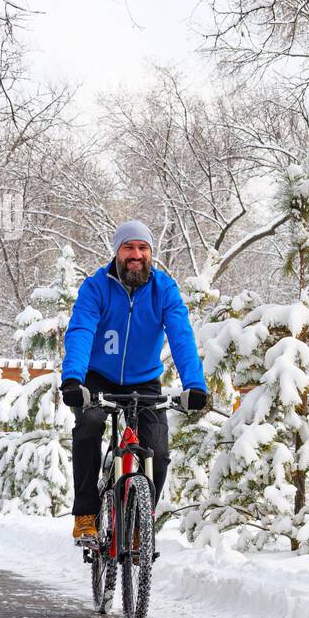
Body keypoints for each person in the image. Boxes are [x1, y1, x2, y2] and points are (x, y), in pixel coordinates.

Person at [60, 221, 208, 543]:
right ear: (117, 251)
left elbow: (181, 335)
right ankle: (86, 513)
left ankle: (142, 522)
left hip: (144, 381)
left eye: (142, 248)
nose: (136, 255)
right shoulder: (96, 287)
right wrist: (73, 378)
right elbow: (82, 330)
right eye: (129, 248)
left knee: (158, 449)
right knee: (89, 425)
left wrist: (195, 385)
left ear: (150, 253)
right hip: (98, 377)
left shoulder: (164, 289)